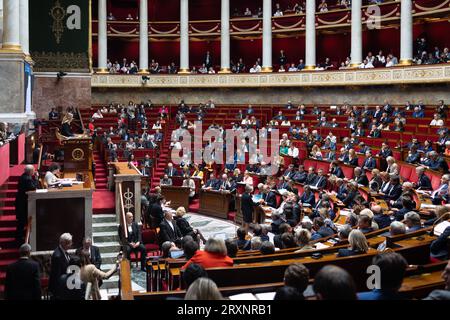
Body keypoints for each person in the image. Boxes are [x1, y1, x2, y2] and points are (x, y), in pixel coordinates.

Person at [15, 165, 39, 243]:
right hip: (23, 203)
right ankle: (19, 239)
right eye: (33, 170)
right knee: (22, 221)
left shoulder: (22, 176)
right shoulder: (28, 179)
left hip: (20, 202)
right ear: (30, 171)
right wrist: (36, 178)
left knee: (20, 221)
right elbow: (33, 187)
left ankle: (19, 237)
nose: (34, 171)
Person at [49, 233, 73, 298]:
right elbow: (57, 276)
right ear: (63, 243)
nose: (71, 245)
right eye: (69, 243)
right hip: (60, 290)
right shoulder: (58, 256)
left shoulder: (64, 252)